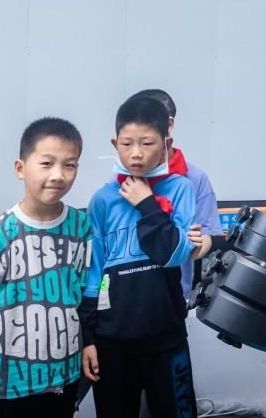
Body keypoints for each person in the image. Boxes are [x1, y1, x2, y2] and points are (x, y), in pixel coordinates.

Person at [0, 117, 91, 418]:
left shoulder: (82, 228)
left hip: (62, 377)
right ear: (20, 168)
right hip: (4, 381)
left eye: (70, 165)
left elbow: (82, 294)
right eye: (46, 163)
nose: (58, 175)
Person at [79, 96, 201, 417]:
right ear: (114, 143)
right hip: (112, 341)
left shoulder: (181, 189)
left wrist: (147, 202)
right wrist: (87, 338)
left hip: (166, 336)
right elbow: (93, 274)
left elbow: (173, 254)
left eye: (147, 143)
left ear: (166, 142)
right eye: (127, 143)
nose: (136, 153)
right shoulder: (102, 200)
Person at [126, 88, 223, 300]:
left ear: (168, 125)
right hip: (127, 299)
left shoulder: (193, 179)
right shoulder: (122, 181)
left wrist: (199, 244)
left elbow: (212, 236)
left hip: (173, 298)